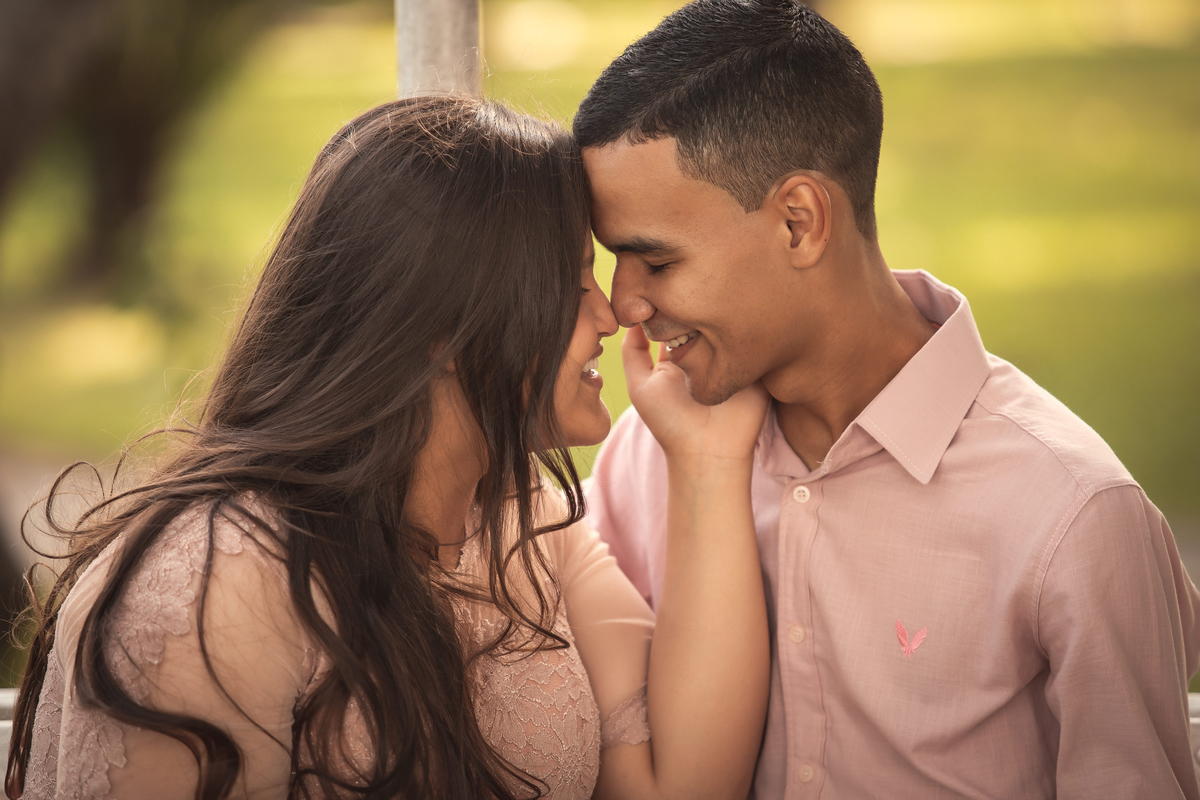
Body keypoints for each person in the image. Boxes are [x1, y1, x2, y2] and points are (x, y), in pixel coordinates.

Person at [4, 96, 772, 799]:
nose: (613, 316)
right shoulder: (221, 579)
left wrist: (708, 460)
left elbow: (681, 788)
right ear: (447, 322)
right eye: (575, 285)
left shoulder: (522, 522)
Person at [574, 2, 1200, 798]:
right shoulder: (650, 454)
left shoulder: (1072, 514)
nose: (623, 305)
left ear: (799, 223)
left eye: (653, 262)